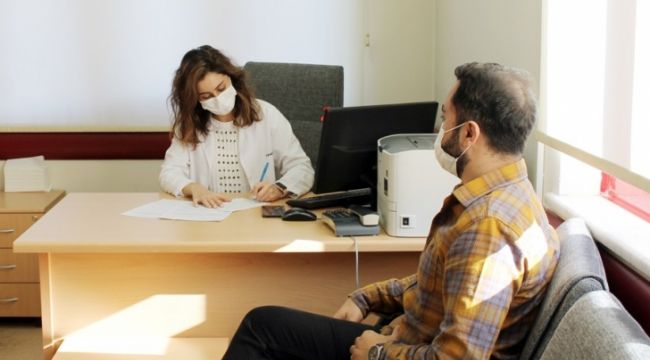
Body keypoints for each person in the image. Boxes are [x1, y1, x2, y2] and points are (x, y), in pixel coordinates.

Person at [221, 62, 560, 360]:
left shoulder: (488, 228)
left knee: (261, 328)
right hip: (404, 338)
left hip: (398, 350)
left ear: (470, 133)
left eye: (446, 117)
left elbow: (458, 359)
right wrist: (368, 297)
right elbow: (442, 282)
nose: (439, 130)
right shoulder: (510, 196)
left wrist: (378, 352)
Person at [159, 45, 314, 206]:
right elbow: (169, 173)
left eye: (221, 88)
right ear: (195, 100)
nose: (218, 98)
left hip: (256, 215)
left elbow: (302, 168)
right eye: (206, 96)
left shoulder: (266, 114)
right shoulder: (190, 125)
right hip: (209, 216)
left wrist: (279, 188)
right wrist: (194, 188)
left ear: (232, 78)